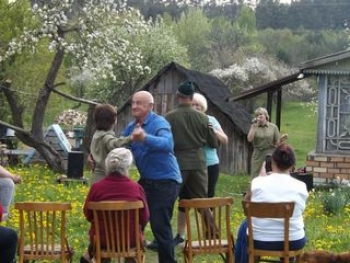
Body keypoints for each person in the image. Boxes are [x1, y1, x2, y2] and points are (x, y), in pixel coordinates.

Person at [123, 91, 182, 263]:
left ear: (150, 106)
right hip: (146, 182)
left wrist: (145, 138)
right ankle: (131, 259)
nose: (134, 106)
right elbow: (120, 144)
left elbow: (168, 144)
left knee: (159, 226)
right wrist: (97, 155)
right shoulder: (131, 127)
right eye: (133, 103)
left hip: (166, 182)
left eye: (139, 103)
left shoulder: (159, 123)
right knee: (133, 222)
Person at [165, 80, 219, 246]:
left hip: (178, 162)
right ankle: (213, 234)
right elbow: (214, 143)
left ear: (178, 96)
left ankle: (164, 237)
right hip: (198, 163)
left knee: (169, 199)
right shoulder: (204, 118)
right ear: (191, 97)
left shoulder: (169, 117)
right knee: (201, 200)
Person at [235, 144, 308, 263]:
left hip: (259, 241)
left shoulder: (257, 183)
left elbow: (245, 205)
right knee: (296, 224)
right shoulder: (301, 186)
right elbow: (300, 211)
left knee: (245, 225)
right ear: (292, 165)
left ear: (272, 162)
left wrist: (259, 179)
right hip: (293, 241)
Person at [81, 147, 149, 263]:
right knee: (133, 247)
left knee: (98, 243)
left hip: (102, 240)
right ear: (127, 166)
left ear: (108, 164)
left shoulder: (97, 188)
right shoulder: (136, 188)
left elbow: (88, 214)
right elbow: (144, 217)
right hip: (130, 239)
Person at [192, 92, 228, 198]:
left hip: (210, 163)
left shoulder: (211, 120)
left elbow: (225, 140)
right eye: (192, 105)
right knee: (189, 196)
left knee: (209, 194)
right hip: (192, 164)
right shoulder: (187, 121)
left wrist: (213, 130)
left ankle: (208, 214)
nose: (195, 107)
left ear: (202, 107)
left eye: (197, 105)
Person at [89, 104, 131, 184]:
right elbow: (114, 144)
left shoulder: (97, 134)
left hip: (96, 177)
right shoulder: (106, 137)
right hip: (105, 177)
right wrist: (131, 138)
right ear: (113, 120)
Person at [247, 106, 287, 178]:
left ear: (266, 115)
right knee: (255, 175)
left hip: (269, 154)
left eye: (261, 114)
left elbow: (277, 143)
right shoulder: (254, 126)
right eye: (257, 115)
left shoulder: (273, 127)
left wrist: (281, 140)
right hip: (258, 154)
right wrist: (253, 128)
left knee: (269, 174)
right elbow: (249, 139)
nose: (259, 116)